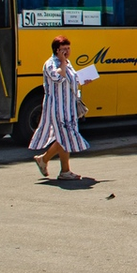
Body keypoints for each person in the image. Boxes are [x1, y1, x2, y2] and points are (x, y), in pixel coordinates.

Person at [29, 35, 89, 180]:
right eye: (63, 49)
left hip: (69, 107)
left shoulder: (67, 63)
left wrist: (82, 80)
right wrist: (62, 62)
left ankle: (50, 163)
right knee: (65, 137)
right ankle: (61, 169)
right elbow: (57, 77)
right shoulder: (51, 63)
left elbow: (71, 80)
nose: (67, 52)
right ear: (56, 50)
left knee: (64, 137)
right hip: (57, 108)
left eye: (68, 48)